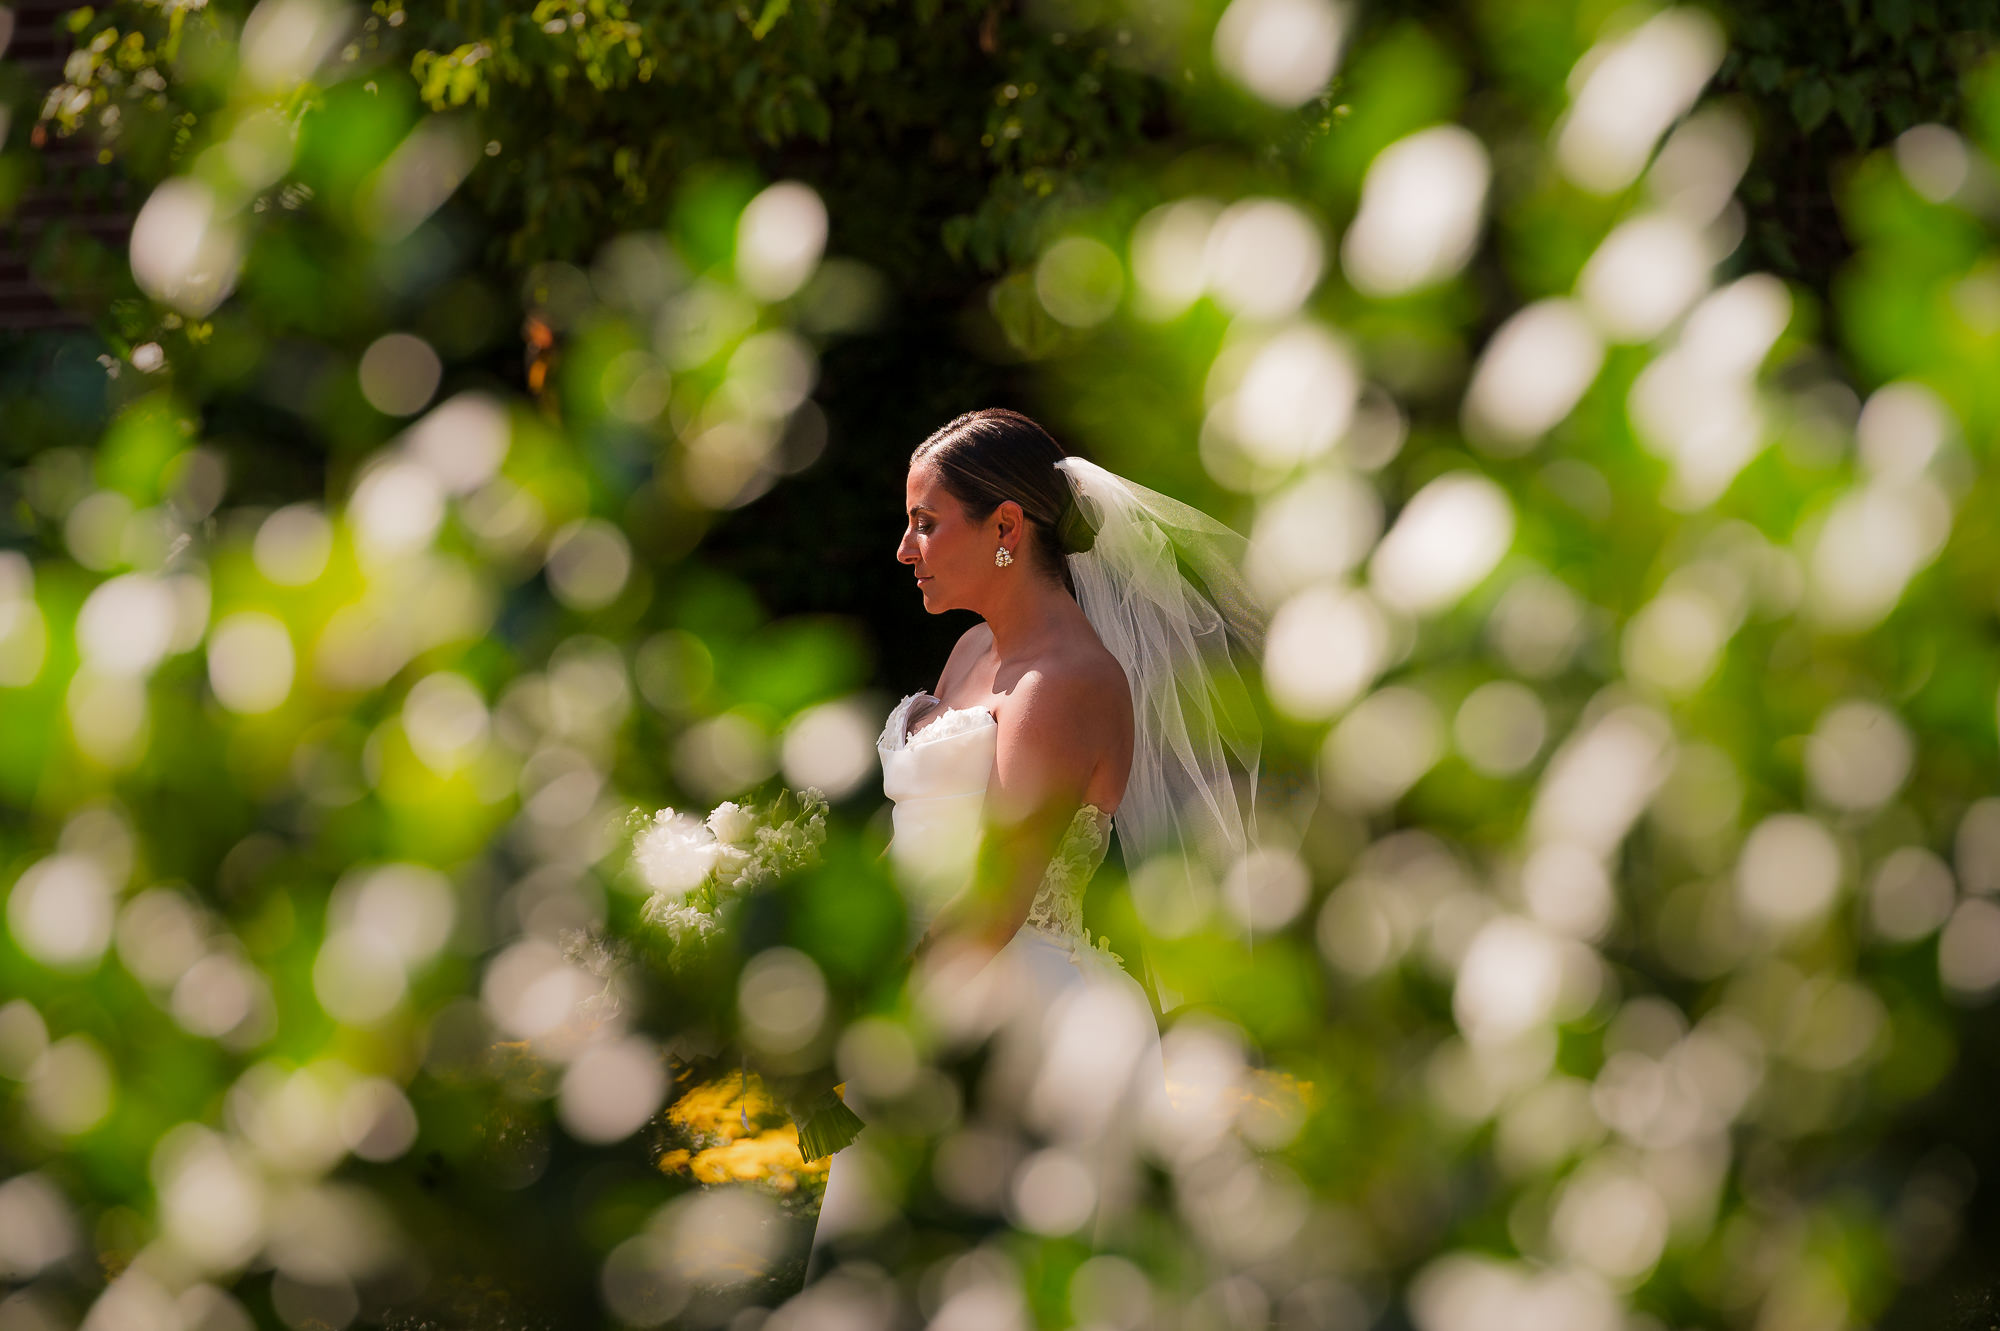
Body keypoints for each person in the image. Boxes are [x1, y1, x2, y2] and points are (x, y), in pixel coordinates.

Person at [806, 407, 1261, 1276]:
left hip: (1018, 1020)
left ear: (1007, 527)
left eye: (927, 523)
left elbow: (994, 903)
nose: (905, 549)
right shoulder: (974, 650)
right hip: (932, 987)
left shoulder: (1065, 684)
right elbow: (922, 832)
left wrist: (863, 1045)